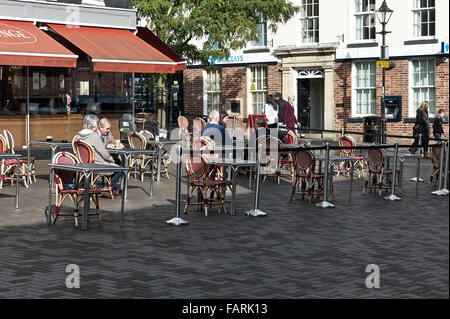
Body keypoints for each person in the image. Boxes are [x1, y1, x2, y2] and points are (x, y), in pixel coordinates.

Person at [74, 114, 123, 197]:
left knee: (115, 164)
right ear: (94, 125)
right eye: (97, 123)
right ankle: (107, 188)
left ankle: (111, 188)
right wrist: (111, 160)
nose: (97, 125)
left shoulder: (76, 136)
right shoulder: (94, 136)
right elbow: (104, 154)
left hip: (81, 164)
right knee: (121, 169)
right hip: (95, 164)